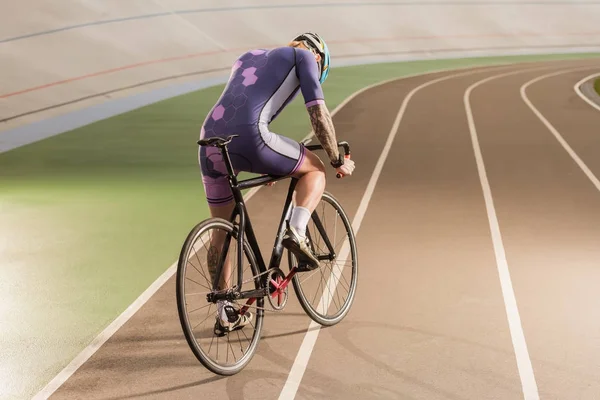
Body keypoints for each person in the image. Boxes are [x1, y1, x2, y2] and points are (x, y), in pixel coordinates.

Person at [198, 32, 355, 333]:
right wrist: (337, 159)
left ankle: (225, 309)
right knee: (316, 170)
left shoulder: (247, 57)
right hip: (252, 138)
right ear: (318, 57)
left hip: (209, 143)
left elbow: (248, 103)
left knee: (221, 234)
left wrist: (269, 162)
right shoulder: (306, 57)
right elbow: (318, 114)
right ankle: (296, 232)